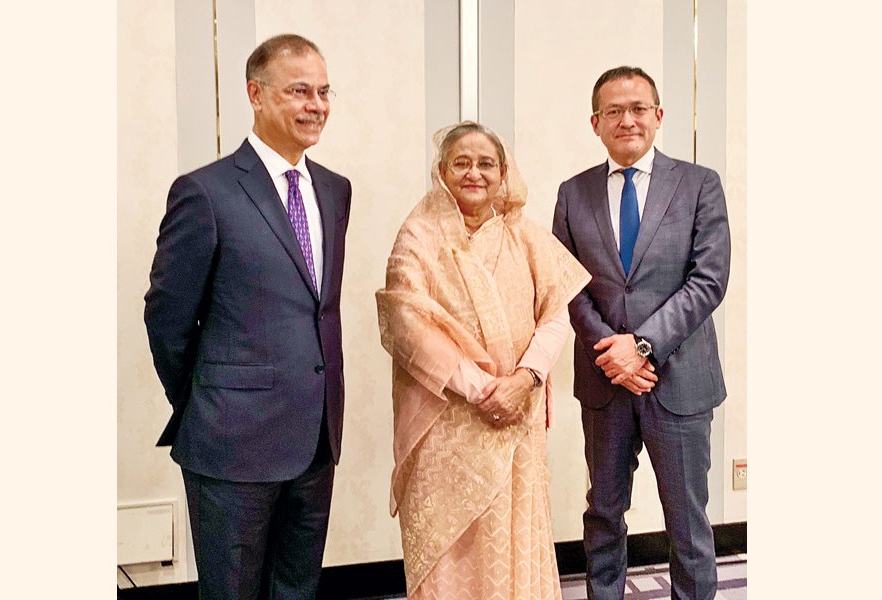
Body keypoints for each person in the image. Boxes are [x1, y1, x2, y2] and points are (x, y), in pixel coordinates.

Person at [143, 34, 351, 600]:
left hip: (315, 435)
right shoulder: (204, 192)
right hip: (230, 438)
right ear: (255, 94)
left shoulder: (335, 191)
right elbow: (167, 317)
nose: (317, 104)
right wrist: (207, 398)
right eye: (299, 91)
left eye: (324, 91)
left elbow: (314, 307)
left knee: (297, 587)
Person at [376, 121, 591, 598]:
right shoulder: (419, 235)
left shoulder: (527, 236)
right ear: (442, 171)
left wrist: (525, 380)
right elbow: (407, 324)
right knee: (449, 552)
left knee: (514, 541)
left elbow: (557, 316)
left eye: (486, 163)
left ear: (503, 173)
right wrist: (482, 390)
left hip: (517, 419)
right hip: (447, 423)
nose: (475, 173)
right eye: (462, 162)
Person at [552, 66, 731, 600]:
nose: (626, 120)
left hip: (678, 385)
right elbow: (566, 284)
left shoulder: (700, 185)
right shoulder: (572, 193)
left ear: (658, 116)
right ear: (595, 122)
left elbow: (708, 280)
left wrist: (642, 346)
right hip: (606, 384)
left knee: (687, 522)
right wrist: (613, 352)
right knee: (603, 513)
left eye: (637, 108)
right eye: (613, 111)